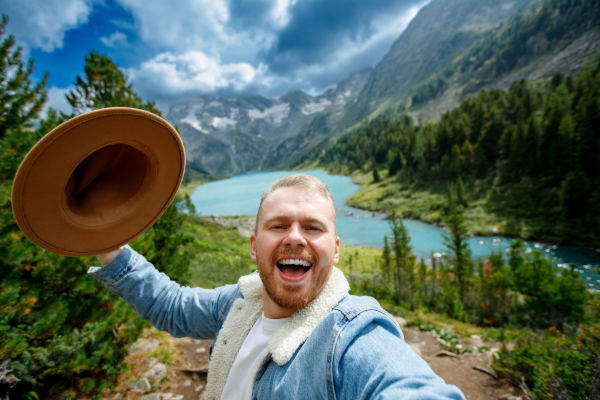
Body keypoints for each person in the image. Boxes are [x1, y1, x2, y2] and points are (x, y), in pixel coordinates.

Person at [90, 174, 465, 399]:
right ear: (255, 247)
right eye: (279, 225)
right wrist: (106, 241)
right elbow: (171, 306)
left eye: (313, 227)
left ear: (334, 251)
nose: (296, 238)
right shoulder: (240, 302)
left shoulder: (350, 334)